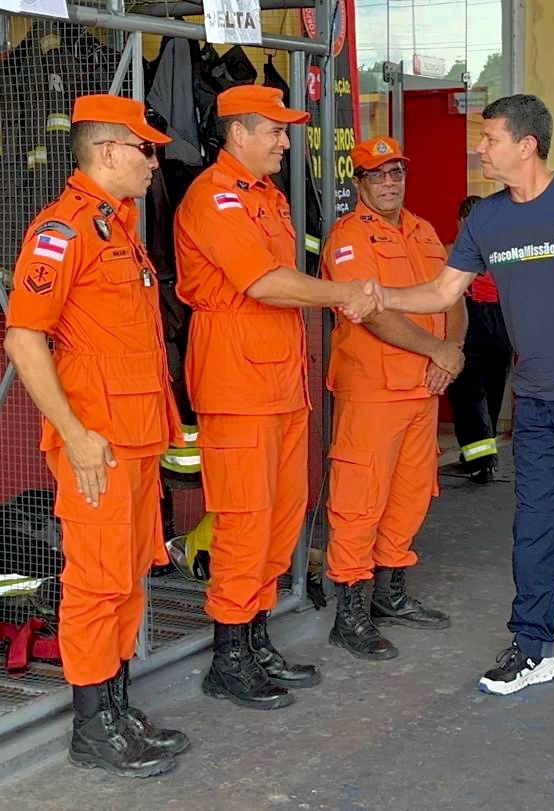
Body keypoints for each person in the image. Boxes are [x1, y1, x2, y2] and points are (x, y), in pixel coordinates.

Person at [364, 94, 554, 703]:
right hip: (538, 404)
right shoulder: (487, 221)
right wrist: (377, 297)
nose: (481, 149)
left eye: (491, 138)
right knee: (533, 530)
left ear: (527, 145)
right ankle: (532, 648)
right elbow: (444, 291)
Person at [174, 85, 378, 710]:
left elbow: (284, 286)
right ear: (239, 133)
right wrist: (345, 294)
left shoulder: (266, 197)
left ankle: (255, 636)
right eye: (277, 132)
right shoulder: (215, 197)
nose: (287, 142)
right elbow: (263, 282)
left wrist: (330, 294)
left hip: (281, 378)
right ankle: (229, 656)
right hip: (237, 380)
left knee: (283, 514)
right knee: (243, 520)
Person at [4, 94, 187, 777]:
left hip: (135, 437)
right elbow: (25, 338)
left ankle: (115, 706)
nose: (154, 158)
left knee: (127, 581)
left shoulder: (119, 223)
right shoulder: (64, 230)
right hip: (98, 444)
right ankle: (92, 727)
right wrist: (75, 434)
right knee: (95, 584)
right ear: (108, 152)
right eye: (144, 148)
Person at [321, 136, 466, 660]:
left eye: (396, 173)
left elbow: (454, 295)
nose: (389, 183)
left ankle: (390, 595)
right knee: (360, 503)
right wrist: (439, 351)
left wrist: (451, 351)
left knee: (409, 497)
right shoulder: (347, 238)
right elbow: (372, 312)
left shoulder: (424, 230)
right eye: (378, 175)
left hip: (425, 388)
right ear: (359, 182)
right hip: (374, 391)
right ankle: (351, 612)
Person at [446, 194, 513, 484]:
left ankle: (478, 461)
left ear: (461, 221)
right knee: (493, 390)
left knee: (468, 394)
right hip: (503, 325)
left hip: (470, 322)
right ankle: (487, 456)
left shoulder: (452, 251)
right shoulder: (503, 253)